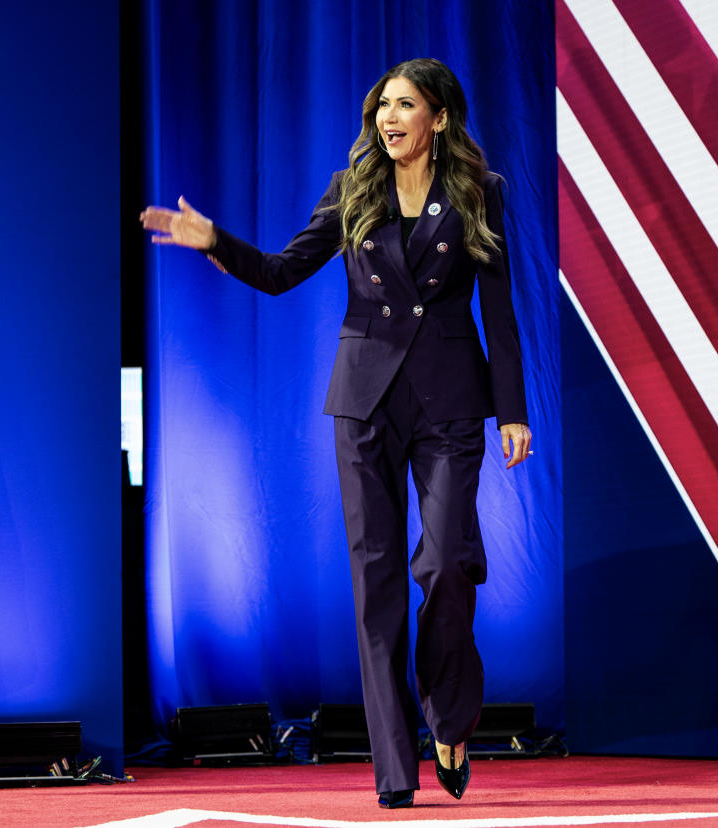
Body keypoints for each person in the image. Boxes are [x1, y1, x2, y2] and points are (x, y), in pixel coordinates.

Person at [140, 57, 531, 809]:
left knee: (449, 564)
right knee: (375, 582)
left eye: (406, 105)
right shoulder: (354, 190)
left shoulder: (480, 194)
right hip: (365, 404)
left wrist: (512, 409)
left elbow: (502, 312)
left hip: (450, 401)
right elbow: (285, 271)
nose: (389, 118)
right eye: (382, 105)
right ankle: (395, 771)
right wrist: (215, 240)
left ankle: (449, 717)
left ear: (439, 119)